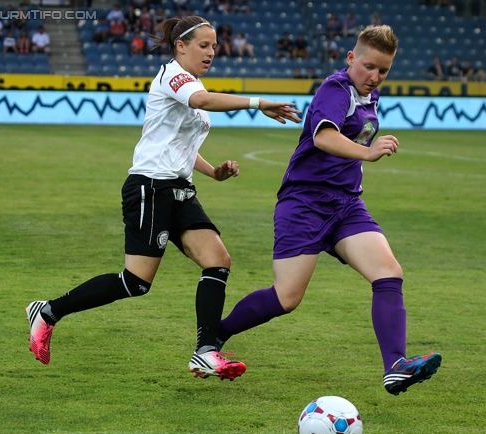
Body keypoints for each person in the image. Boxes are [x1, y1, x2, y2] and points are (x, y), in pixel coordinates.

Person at [25, 16, 302, 382]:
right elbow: (201, 100)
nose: (211, 52)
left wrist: (213, 171)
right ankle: (47, 312)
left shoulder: (192, 85)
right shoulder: (172, 76)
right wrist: (257, 102)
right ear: (180, 46)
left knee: (218, 259)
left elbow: (179, 144)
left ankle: (206, 351)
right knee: (135, 282)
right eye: (203, 45)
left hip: (179, 188)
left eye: (215, 46)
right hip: (150, 187)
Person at [215, 24, 442, 395]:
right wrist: (368, 152)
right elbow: (323, 135)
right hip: (304, 204)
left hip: (347, 204)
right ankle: (215, 334)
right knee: (286, 298)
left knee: (388, 274)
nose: (375, 76)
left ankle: (396, 366)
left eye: (383, 70)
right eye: (368, 66)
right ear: (351, 57)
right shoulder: (335, 90)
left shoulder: (371, 95)